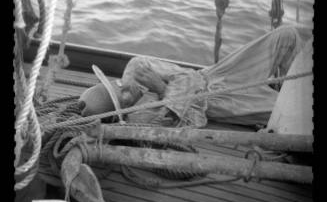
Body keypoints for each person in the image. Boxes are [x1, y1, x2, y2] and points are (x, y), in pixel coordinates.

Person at [79, 25, 303, 128]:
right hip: (220, 103)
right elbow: (196, 121)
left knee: (287, 35)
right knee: (298, 114)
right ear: (121, 110)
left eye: (120, 87)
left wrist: (167, 93)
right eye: (124, 98)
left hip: (218, 73)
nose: (128, 91)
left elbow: (188, 76)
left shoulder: (137, 67)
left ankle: (291, 85)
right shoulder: (139, 120)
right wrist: (162, 89)